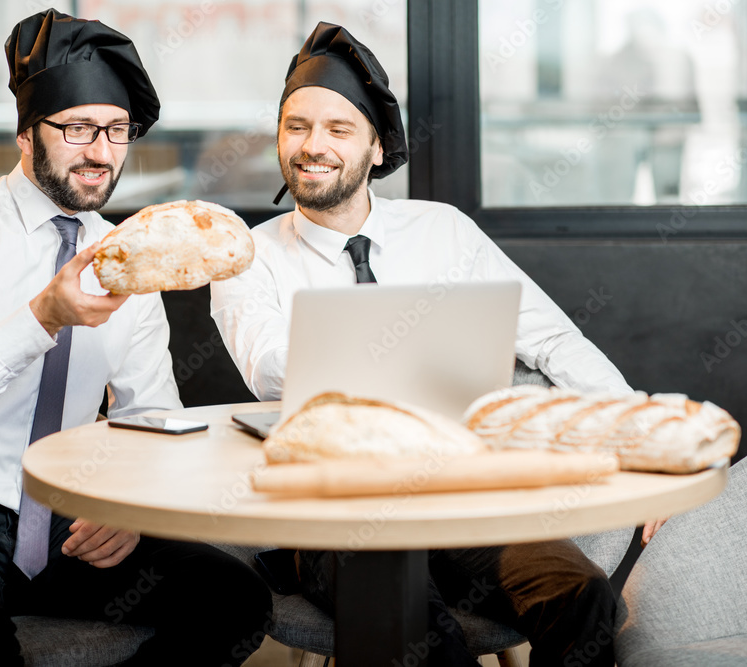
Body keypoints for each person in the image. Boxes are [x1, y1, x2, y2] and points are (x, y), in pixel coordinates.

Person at [0, 10, 270, 666]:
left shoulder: (128, 255)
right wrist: (41, 316)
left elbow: (150, 417)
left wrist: (131, 506)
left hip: (65, 525)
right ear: (26, 131)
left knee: (236, 600)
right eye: (77, 128)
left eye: (116, 130)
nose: (101, 153)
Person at [210, 22, 628, 667]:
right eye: (296, 127)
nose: (311, 146)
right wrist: (401, 334)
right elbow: (270, 374)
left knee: (581, 596)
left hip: (461, 498)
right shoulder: (247, 254)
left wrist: (635, 432)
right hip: (328, 512)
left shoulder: (443, 230)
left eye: (337, 129)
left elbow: (552, 341)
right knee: (415, 630)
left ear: (377, 149)